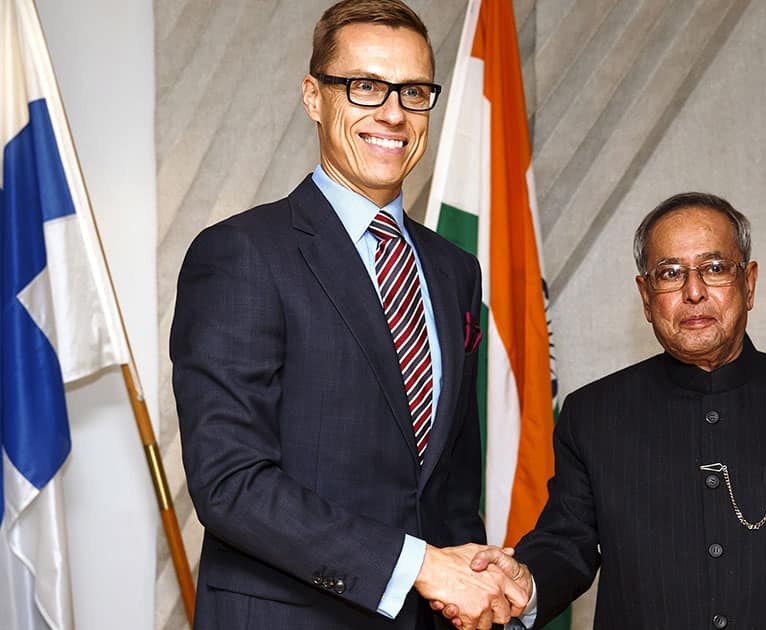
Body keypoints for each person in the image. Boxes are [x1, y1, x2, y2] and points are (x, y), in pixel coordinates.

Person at [170, 2, 525, 628]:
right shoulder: (241, 254)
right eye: (365, 86)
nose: (393, 113)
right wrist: (418, 567)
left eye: (413, 92)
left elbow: (449, 490)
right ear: (314, 96)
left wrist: (472, 579)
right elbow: (230, 483)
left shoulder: (454, 271)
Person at [459, 192, 766, 629]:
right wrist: (528, 580)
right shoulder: (593, 416)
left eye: (715, 269)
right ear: (646, 296)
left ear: (748, 284)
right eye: (670, 273)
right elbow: (566, 542)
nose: (693, 292)